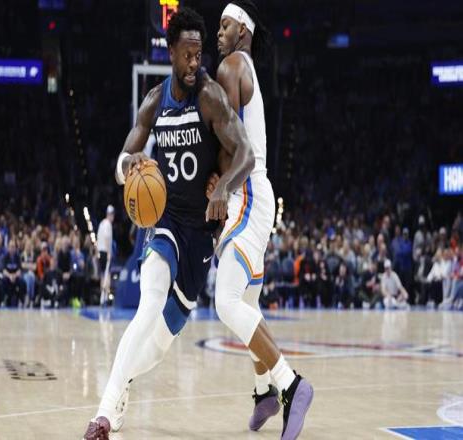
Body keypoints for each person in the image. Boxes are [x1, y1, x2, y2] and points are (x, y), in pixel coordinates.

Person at [83, 8, 255, 439]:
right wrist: (129, 165)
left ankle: (122, 384)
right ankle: (104, 414)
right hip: (164, 220)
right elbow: (122, 160)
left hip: (201, 231)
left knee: (160, 345)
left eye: (199, 54)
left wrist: (224, 187)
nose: (195, 63)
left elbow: (247, 154)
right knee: (148, 304)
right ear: (171, 53)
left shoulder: (210, 96)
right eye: (188, 55)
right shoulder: (154, 101)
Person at [210, 2, 313, 438]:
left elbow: (233, 147)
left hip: (248, 191)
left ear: (244, 31)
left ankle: (291, 385)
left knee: (225, 300)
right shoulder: (243, 66)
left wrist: (216, 184)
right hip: (251, 192)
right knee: (246, 304)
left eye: (225, 25)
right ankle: (263, 392)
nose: (218, 32)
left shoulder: (232, 65)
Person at [97, 205, 114, 306]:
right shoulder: (108, 224)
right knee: (107, 275)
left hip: (100, 251)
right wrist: (109, 252)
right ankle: (106, 297)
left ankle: (102, 298)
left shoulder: (101, 223)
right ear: (110, 215)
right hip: (105, 251)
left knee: (102, 275)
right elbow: (107, 238)